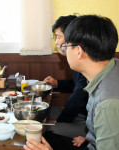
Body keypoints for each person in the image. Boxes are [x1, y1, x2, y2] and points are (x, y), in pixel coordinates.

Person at [24, 15, 119, 150]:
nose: (64, 49)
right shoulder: (111, 67)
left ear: (79, 51)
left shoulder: (107, 105)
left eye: (67, 45)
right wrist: (89, 137)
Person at [44, 15, 89, 138]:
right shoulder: (78, 62)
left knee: (45, 130)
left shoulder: (87, 65)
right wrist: (57, 83)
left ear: (71, 38)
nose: (56, 43)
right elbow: (77, 85)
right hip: (80, 113)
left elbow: (76, 100)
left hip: (87, 124)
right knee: (46, 111)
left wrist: (57, 123)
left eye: (58, 37)